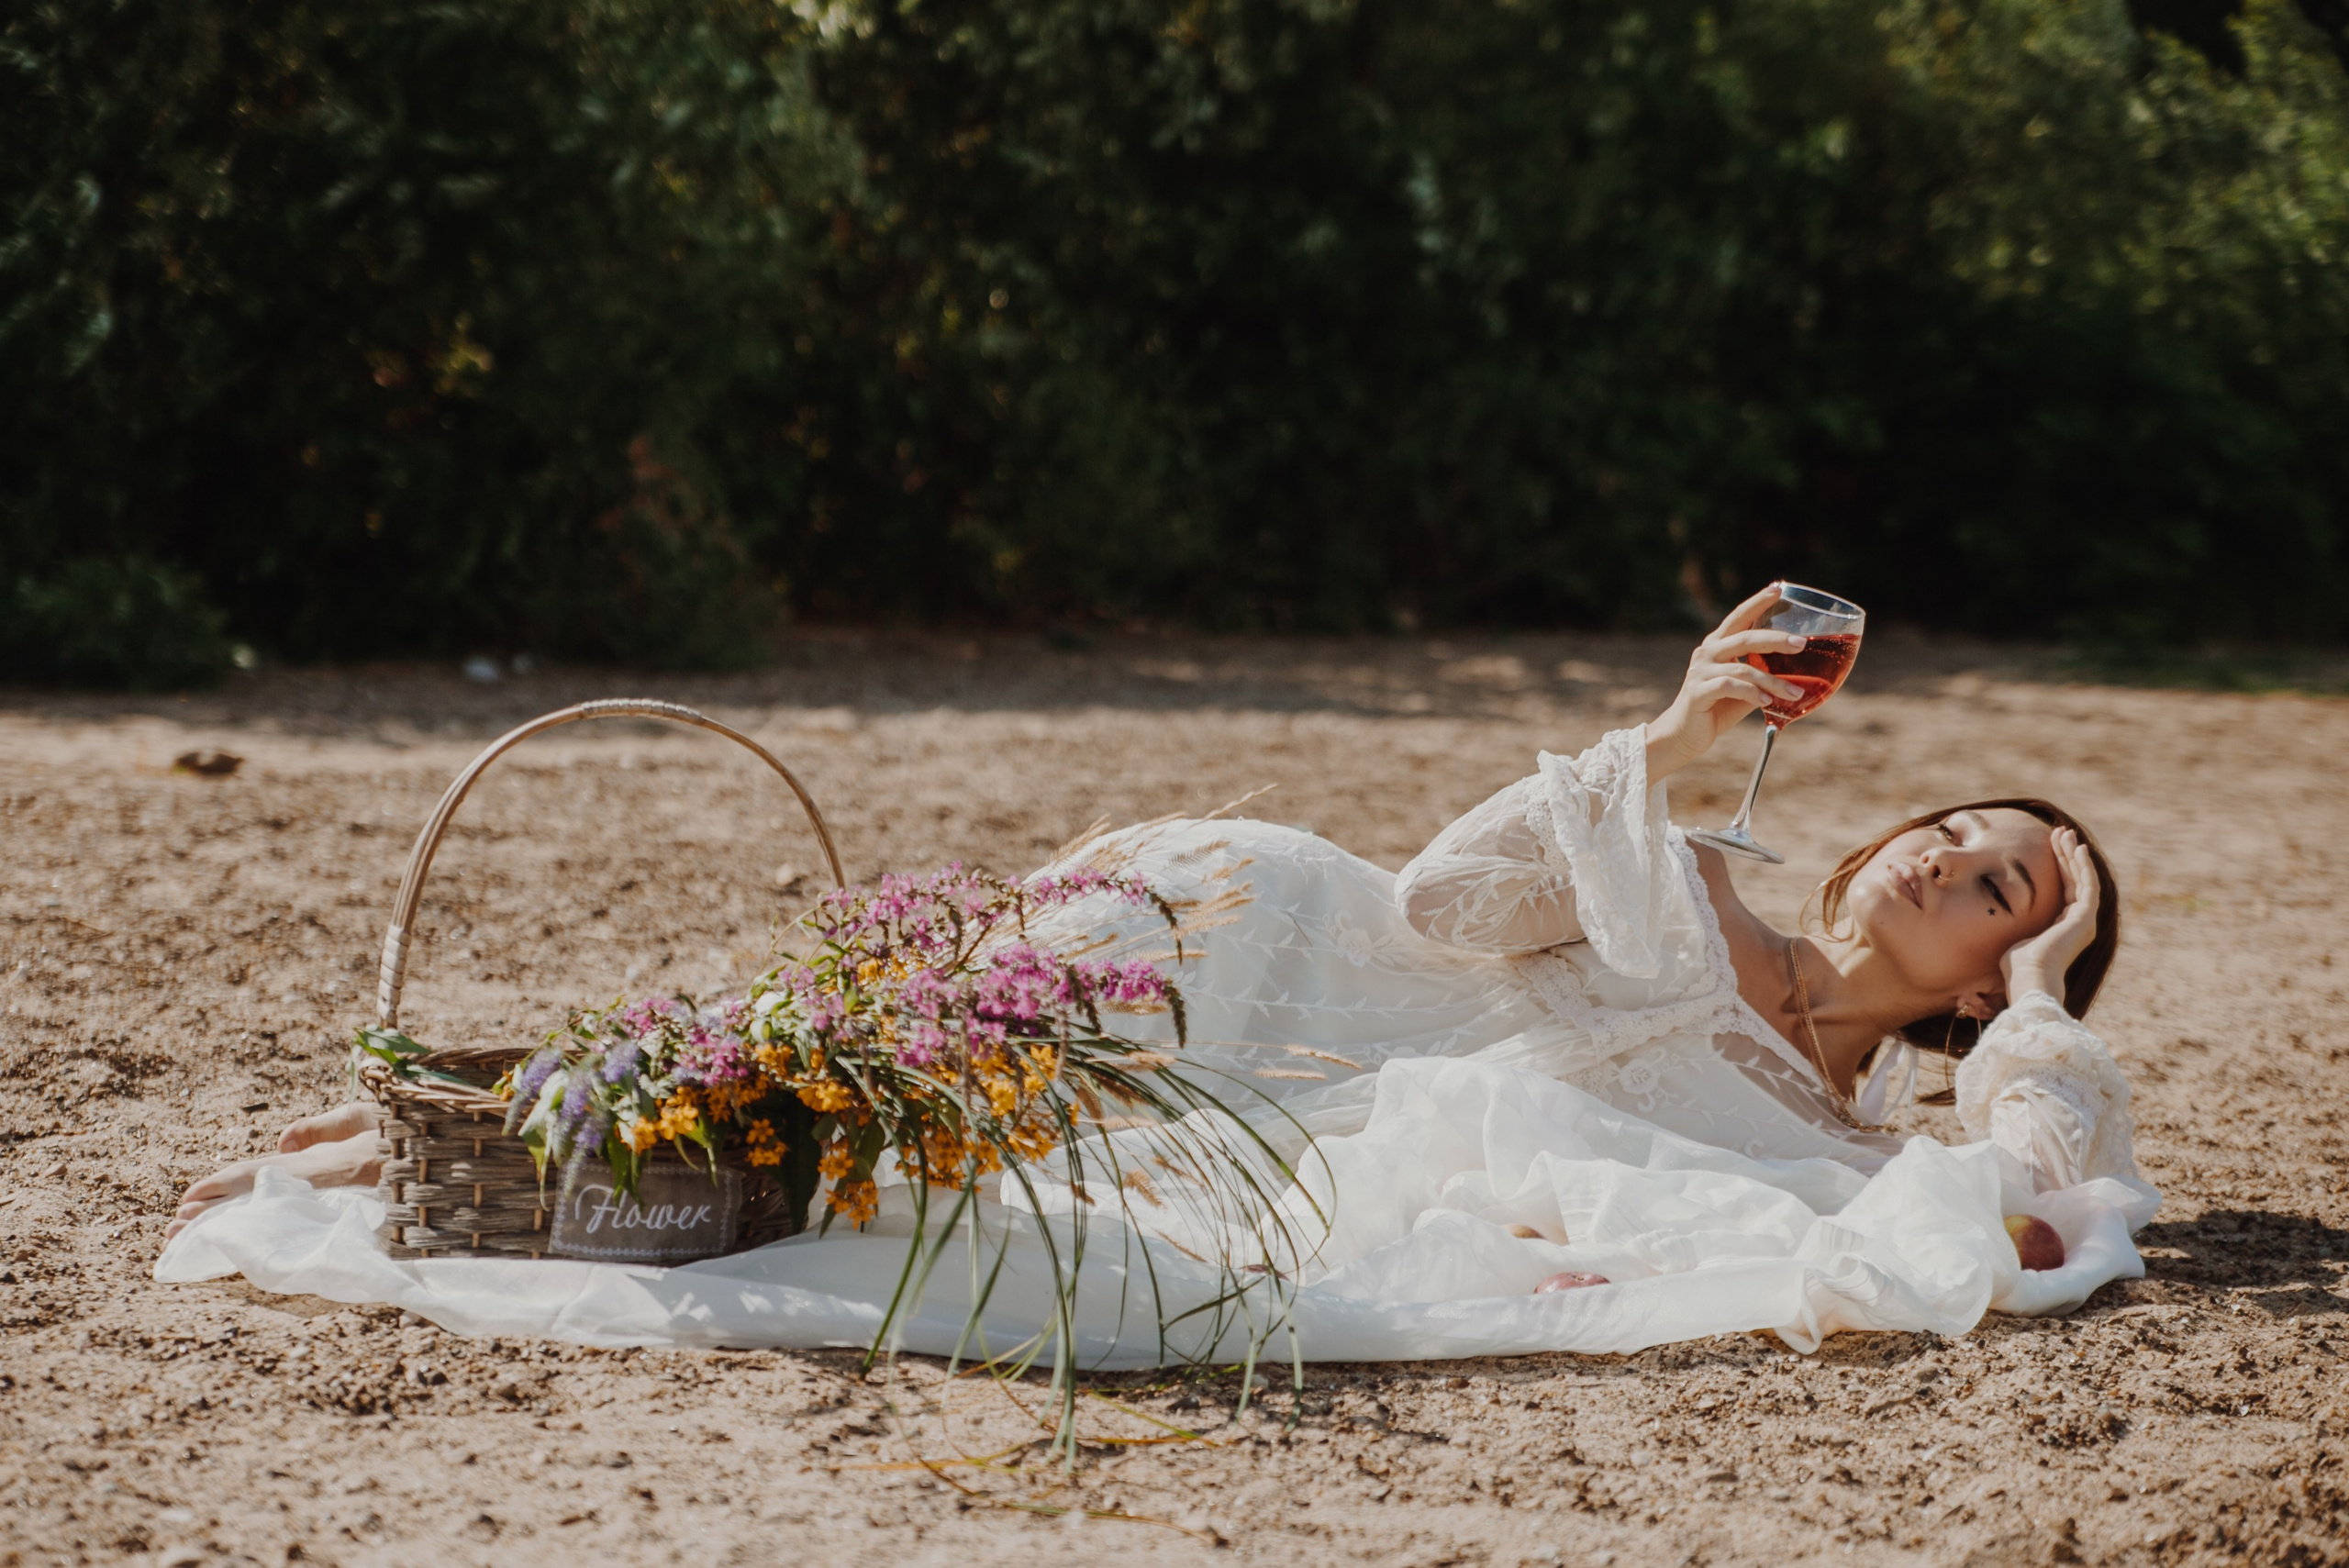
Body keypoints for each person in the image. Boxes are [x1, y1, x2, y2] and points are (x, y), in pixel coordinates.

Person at [160, 585, 2155, 1356]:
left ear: (1984, 979)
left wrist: (2054, 991)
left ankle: (502, 1142)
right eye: (1952, 823)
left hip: (1289, 1130)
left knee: (906, 1150)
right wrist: (1666, 743)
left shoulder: (1858, 1138)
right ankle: (484, 1115)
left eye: (1997, 886)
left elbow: (2047, 1184)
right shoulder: (1689, 861)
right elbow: (1446, 906)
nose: (1941, 853)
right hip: (1252, 941)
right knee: (898, 1055)